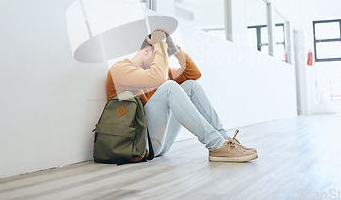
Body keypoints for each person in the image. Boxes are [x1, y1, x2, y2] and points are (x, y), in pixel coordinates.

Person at [106, 29, 258, 162]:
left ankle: (225, 142)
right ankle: (215, 145)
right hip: (139, 144)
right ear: (147, 50)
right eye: (159, 55)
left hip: (158, 144)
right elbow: (158, 77)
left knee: (190, 86)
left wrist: (175, 50)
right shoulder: (120, 69)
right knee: (170, 86)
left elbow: (193, 74)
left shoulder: (153, 75)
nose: (161, 61)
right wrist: (160, 46)